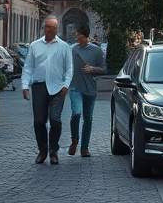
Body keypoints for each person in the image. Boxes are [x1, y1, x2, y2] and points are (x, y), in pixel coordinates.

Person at [21, 16, 73, 165]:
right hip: (39, 86)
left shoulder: (64, 47)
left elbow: (69, 68)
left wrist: (66, 85)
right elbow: (28, 67)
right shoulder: (35, 46)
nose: (49, 30)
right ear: (44, 28)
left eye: (52, 28)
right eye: (47, 27)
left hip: (58, 87)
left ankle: (53, 151)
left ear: (57, 29)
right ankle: (42, 150)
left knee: (55, 120)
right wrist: (25, 86)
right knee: (39, 121)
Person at [68, 25, 106, 158]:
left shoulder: (96, 50)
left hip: (90, 88)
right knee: (76, 112)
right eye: (77, 35)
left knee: (88, 119)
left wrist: (92, 69)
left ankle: (84, 147)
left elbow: (104, 69)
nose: (78, 38)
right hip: (75, 86)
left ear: (86, 36)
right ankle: (74, 140)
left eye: (80, 35)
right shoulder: (72, 49)